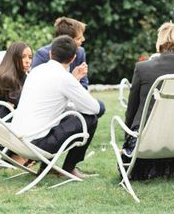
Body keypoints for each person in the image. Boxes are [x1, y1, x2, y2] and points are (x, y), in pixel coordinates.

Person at [11, 35, 105, 178]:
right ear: (73, 58)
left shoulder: (36, 71)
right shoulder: (64, 78)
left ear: (50, 53)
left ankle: (47, 168)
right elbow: (95, 109)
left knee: (64, 117)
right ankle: (69, 168)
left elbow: (52, 100)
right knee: (90, 119)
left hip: (16, 138)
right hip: (36, 145)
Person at [122, 22, 174, 180]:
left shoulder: (143, 68)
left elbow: (132, 109)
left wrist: (127, 134)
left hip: (141, 154)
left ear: (160, 41)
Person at [32, 17, 89, 89]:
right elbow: (37, 85)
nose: (83, 39)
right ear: (67, 41)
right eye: (78, 38)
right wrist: (72, 79)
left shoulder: (80, 52)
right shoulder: (42, 55)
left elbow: (84, 85)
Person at [0, 41, 32, 119]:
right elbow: (23, 102)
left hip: (4, 116)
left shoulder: (21, 75)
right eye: (23, 56)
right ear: (13, 58)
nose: (28, 61)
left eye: (30, 57)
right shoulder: (6, 77)